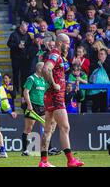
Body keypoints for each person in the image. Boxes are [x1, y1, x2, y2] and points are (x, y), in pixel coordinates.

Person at [39, 33, 84, 167]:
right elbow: (46, 69)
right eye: (67, 43)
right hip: (56, 96)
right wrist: (54, 84)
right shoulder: (56, 55)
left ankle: (44, 161)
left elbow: (46, 70)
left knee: (49, 129)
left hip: (50, 96)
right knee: (65, 127)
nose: (69, 46)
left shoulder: (58, 56)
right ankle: (70, 160)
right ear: (60, 43)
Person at [22, 62, 61, 156]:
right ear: (40, 69)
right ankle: (25, 150)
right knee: (28, 128)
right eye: (45, 69)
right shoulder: (31, 78)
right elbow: (26, 92)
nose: (46, 71)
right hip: (33, 106)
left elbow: (51, 88)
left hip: (42, 106)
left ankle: (49, 149)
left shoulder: (44, 80)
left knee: (48, 127)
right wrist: (29, 105)